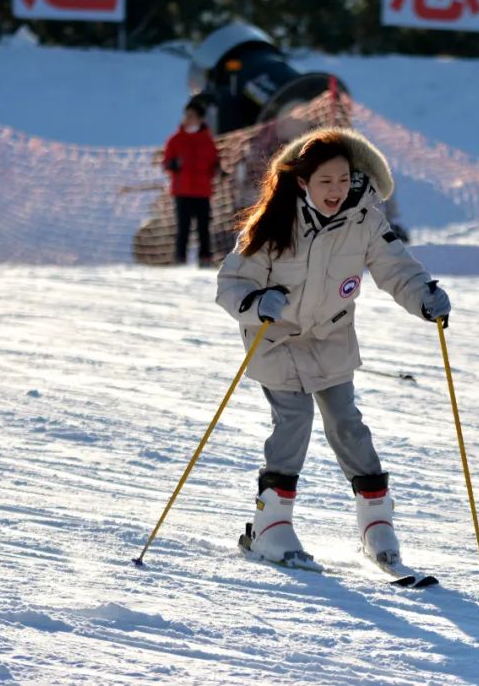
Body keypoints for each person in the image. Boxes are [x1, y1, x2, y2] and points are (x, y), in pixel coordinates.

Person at [216, 127, 451, 569]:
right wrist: (255, 303)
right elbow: (232, 283)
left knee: (347, 424)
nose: (336, 191)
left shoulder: (365, 219)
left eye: (343, 181)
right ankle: (271, 527)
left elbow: (395, 267)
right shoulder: (272, 221)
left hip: (331, 338)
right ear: (303, 182)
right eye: (325, 182)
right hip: (277, 338)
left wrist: (424, 296)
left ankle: (376, 521)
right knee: (294, 420)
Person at [162, 97, 219, 266]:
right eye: (186, 115)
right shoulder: (175, 140)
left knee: (204, 228)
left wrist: (218, 169)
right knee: (183, 228)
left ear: (200, 119)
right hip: (182, 191)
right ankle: (180, 259)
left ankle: (205, 259)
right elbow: (166, 162)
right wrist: (173, 164)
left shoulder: (208, 141)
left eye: (192, 116)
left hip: (202, 191)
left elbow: (214, 162)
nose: (188, 119)